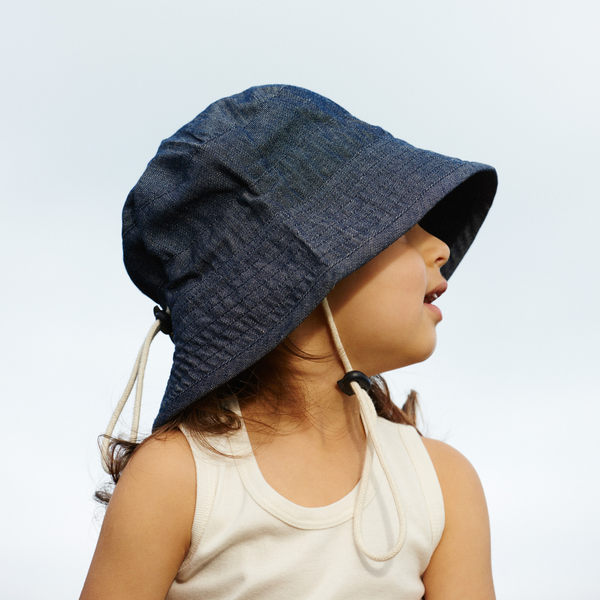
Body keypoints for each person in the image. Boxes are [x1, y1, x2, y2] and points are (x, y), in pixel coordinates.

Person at [80, 84, 498, 599]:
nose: (439, 246)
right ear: (296, 275)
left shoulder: (440, 486)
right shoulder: (178, 480)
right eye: (399, 230)